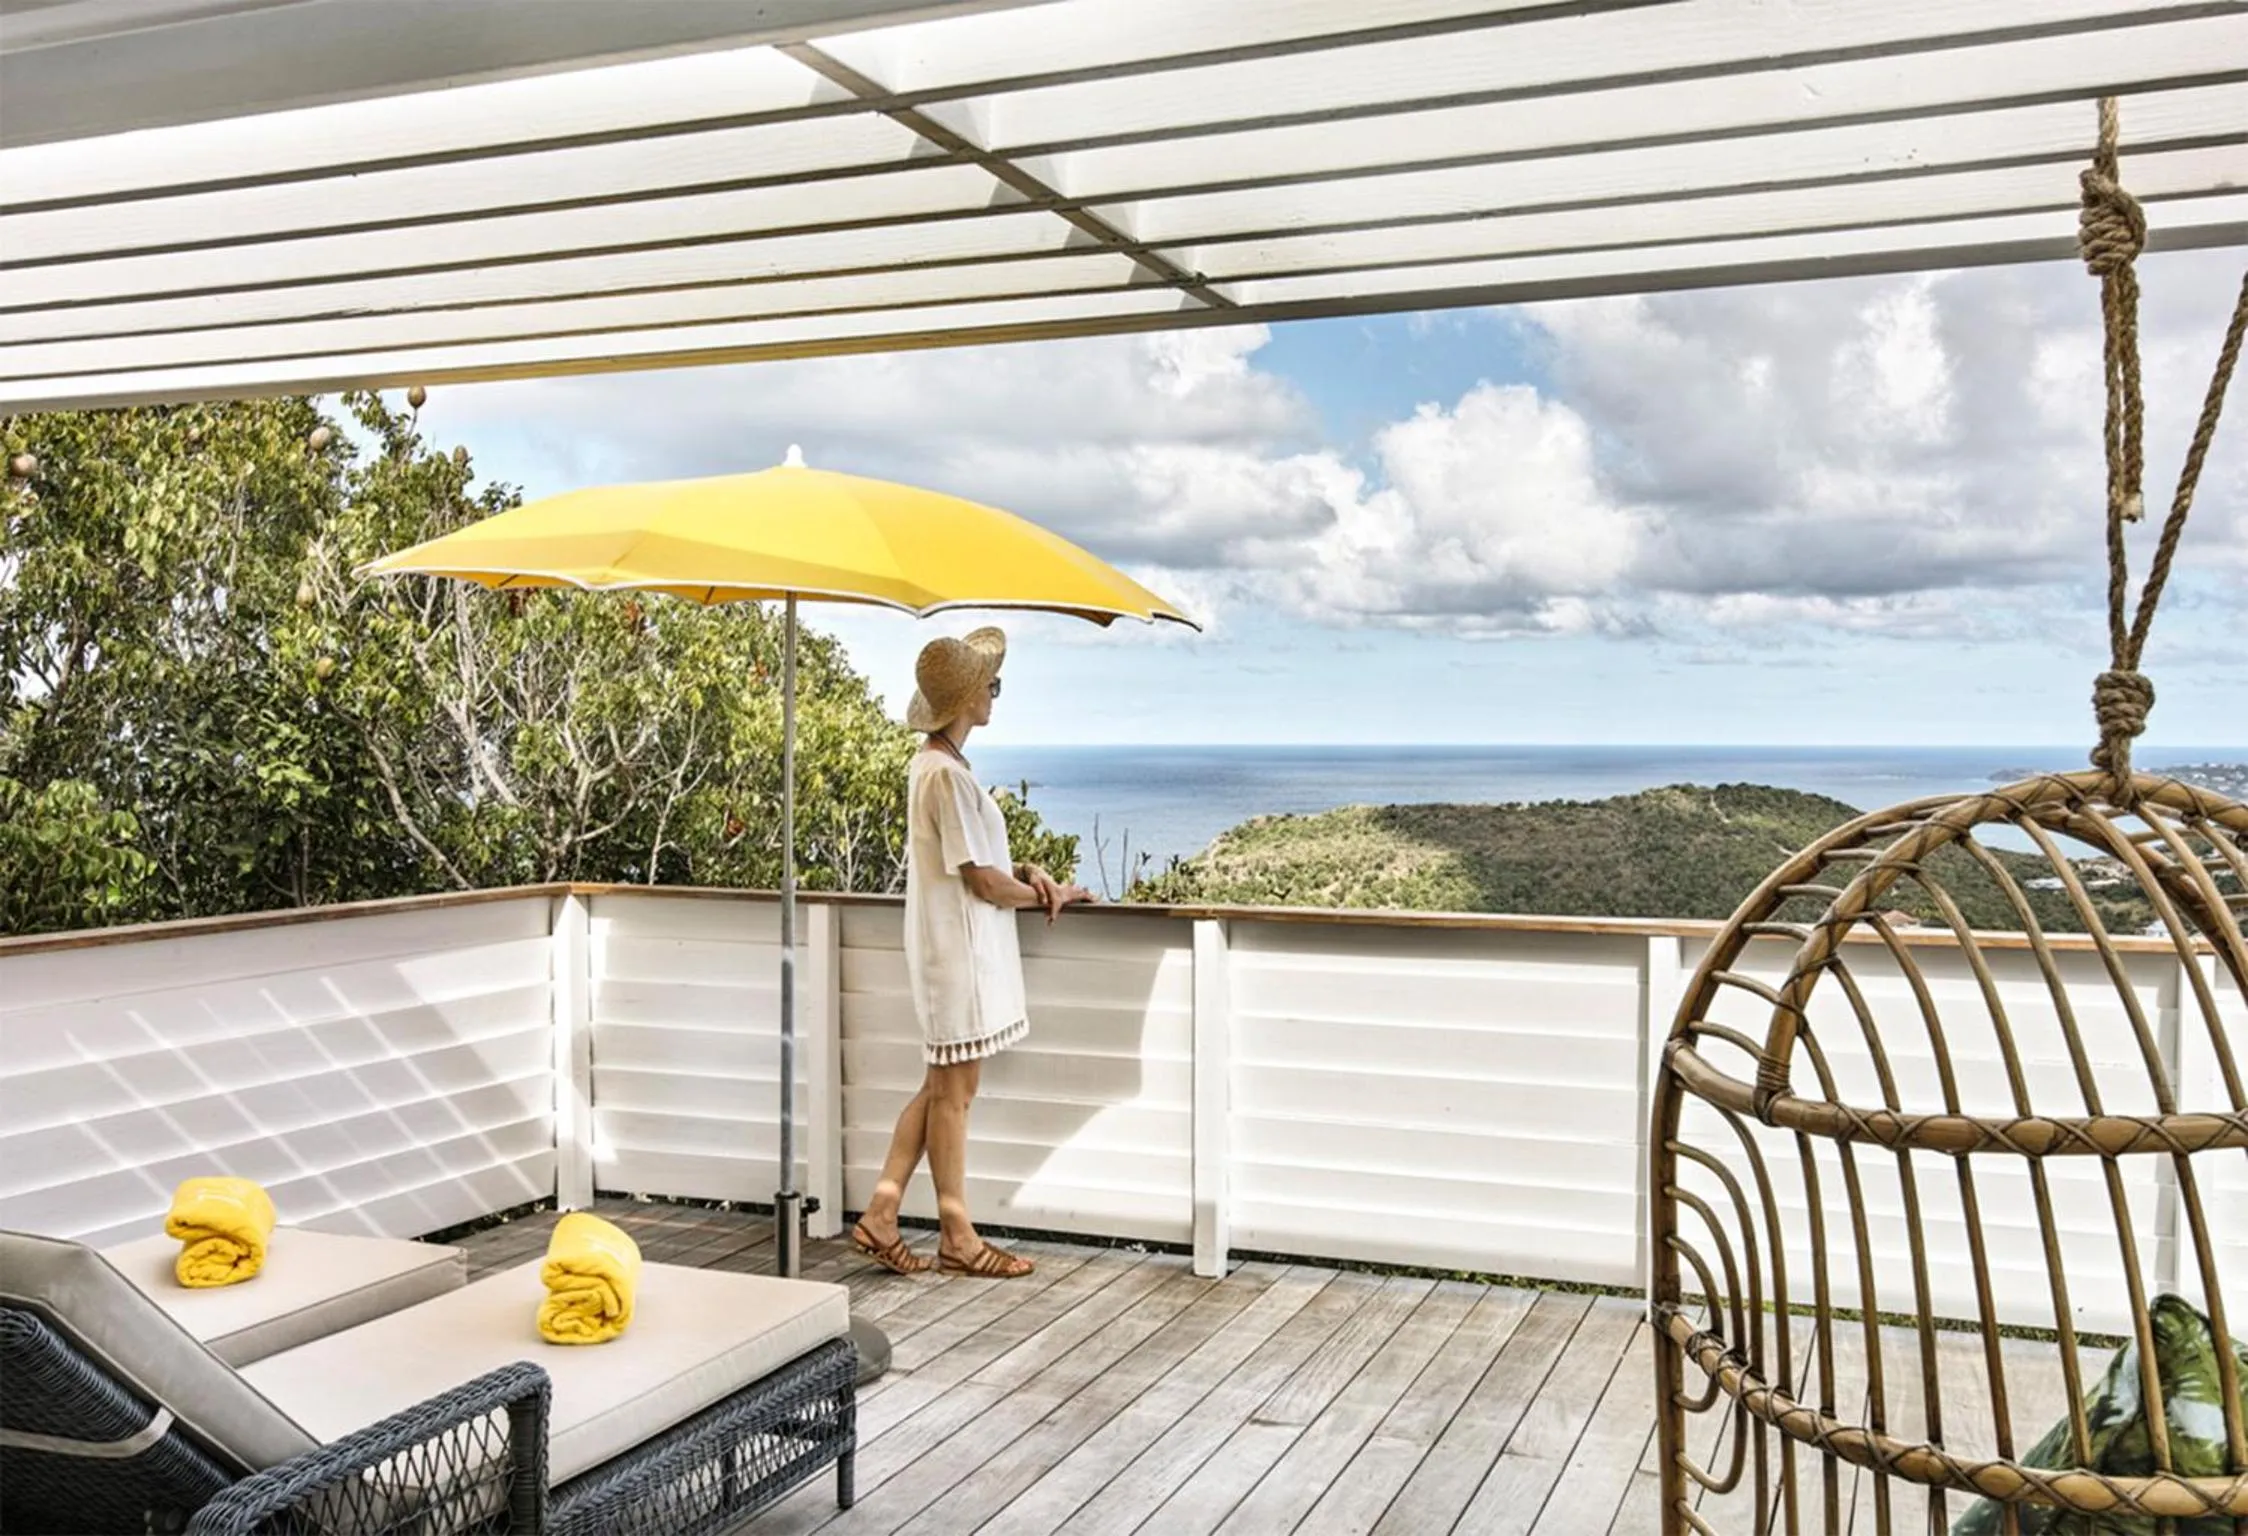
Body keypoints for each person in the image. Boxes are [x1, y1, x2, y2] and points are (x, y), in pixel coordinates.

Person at [850, 626, 1093, 1279]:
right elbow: (981, 880)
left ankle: (881, 1213)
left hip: (950, 949)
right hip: (956, 955)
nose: (996, 693)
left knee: (941, 1088)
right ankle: (957, 1234)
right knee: (954, 1094)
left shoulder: (937, 768)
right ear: (965, 699)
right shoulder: (944, 778)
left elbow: (982, 863)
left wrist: (1033, 874)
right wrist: (1056, 895)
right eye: (991, 684)